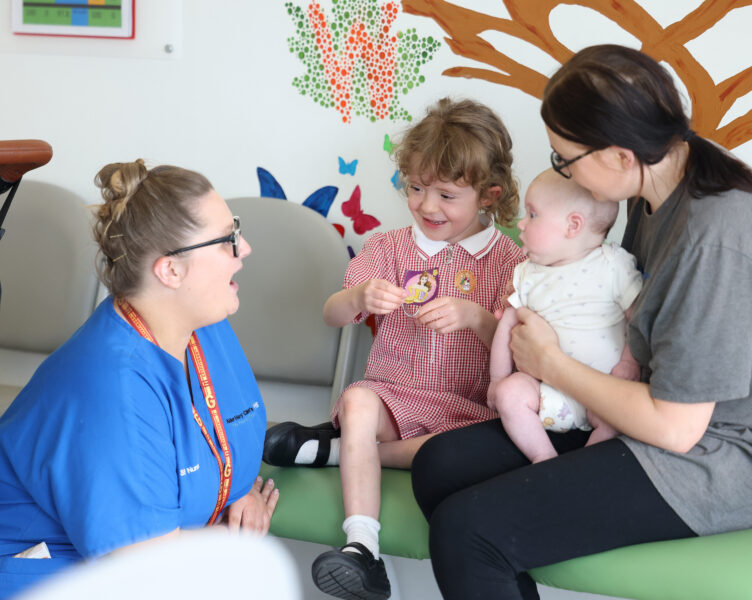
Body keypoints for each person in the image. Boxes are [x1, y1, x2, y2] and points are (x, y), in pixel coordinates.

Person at [411, 44, 752, 600]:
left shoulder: (714, 239)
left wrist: (551, 364)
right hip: (636, 408)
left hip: (713, 456)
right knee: (439, 465)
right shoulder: (656, 193)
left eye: (564, 160)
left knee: (467, 531)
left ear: (620, 155)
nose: (563, 173)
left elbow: (676, 427)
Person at [0, 160, 278, 600]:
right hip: (27, 574)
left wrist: (238, 497)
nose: (246, 249)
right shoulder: (114, 387)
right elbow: (148, 572)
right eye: (227, 240)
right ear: (171, 271)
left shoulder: (203, 325)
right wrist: (231, 540)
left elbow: (228, 430)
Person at [264, 98, 525, 599]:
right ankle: (362, 547)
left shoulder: (510, 263)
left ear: (489, 196)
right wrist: (359, 297)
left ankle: (339, 450)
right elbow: (333, 315)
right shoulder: (387, 248)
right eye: (417, 188)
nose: (428, 206)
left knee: (452, 455)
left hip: (468, 411)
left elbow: (516, 352)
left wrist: (477, 318)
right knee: (360, 400)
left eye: (447, 195)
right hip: (397, 397)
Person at [487, 169, 642, 463]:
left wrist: (629, 362)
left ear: (573, 225)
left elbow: (638, 318)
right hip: (547, 394)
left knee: (620, 416)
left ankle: (582, 467)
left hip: (603, 389)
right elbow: (508, 323)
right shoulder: (526, 273)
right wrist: (497, 379)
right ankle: (543, 457)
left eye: (532, 215)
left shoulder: (613, 265)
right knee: (510, 394)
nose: (521, 223)